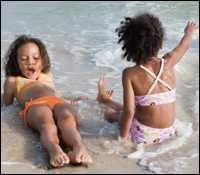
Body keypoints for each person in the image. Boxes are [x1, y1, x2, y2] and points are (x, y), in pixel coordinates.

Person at [96, 13, 198, 145]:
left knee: (110, 114)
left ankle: (105, 102)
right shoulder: (169, 62)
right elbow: (184, 45)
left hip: (143, 135)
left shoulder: (130, 74)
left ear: (130, 48)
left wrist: (123, 138)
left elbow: (129, 111)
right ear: (161, 43)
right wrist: (189, 32)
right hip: (168, 131)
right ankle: (106, 99)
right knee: (140, 106)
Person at [3, 35, 92, 167]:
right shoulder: (13, 80)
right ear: (16, 62)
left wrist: (73, 100)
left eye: (36, 58)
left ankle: (79, 147)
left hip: (57, 101)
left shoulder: (47, 76)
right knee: (46, 123)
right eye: (24, 59)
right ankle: (54, 150)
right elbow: (7, 106)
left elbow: (56, 94)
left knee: (67, 118)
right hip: (35, 104)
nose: (30, 62)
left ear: (43, 60)